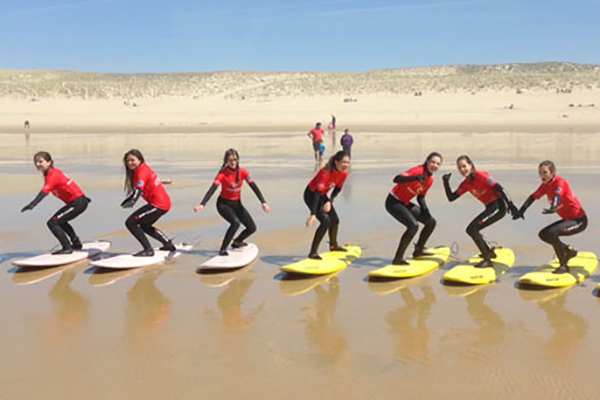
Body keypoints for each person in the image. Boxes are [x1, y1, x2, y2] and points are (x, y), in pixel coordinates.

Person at [442, 155, 519, 268]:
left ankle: (488, 260)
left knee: (472, 229)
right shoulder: (466, 184)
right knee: (473, 229)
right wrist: (446, 183)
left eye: (464, 166)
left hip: (497, 206)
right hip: (490, 208)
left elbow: (500, 189)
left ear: (471, 165)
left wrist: (511, 205)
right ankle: (489, 252)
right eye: (459, 168)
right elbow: (452, 197)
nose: (462, 170)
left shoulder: (481, 175)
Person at [512, 160, 587, 274]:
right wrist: (521, 211)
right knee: (544, 234)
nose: (542, 176)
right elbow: (532, 197)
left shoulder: (560, 182)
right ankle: (568, 250)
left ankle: (564, 265)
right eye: (540, 173)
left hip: (579, 221)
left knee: (552, 233)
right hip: (569, 220)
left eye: (544, 172)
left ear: (552, 172)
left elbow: (557, 195)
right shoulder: (545, 185)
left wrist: (554, 206)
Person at [194, 149, 270, 256]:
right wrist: (202, 204)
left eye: (235, 159)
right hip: (223, 204)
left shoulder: (243, 172)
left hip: (237, 204)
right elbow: (212, 188)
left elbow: (254, 186)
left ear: (238, 159)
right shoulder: (222, 174)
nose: (233, 162)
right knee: (235, 223)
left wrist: (263, 202)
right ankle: (223, 249)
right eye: (230, 160)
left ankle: (237, 242)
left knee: (251, 228)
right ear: (226, 161)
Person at [21, 151, 90, 254]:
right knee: (59, 221)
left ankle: (67, 248)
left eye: (41, 161)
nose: (37, 164)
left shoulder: (53, 175)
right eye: (35, 162)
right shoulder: (51, 173)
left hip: (77, 203)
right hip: (78, 202)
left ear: (49, 162)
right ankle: (76, 243)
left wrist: (32, 204)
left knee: (53, 223)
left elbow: (44, 192)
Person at [386, 152, 442, 265]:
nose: (434, 165)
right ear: (427, 161)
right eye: (433, 162)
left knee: (431, 222)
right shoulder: (418, 171)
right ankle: (398, 258)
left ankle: (418, 251)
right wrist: (414, 178)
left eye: (438, 164)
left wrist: (426, 210)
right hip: (393, 201)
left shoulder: (430, 180)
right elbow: (396, 179)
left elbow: (420, 197)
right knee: (413, 226)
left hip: (405, 203)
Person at [121, 149, 175, 257]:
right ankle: (167, 244)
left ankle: (148, 250)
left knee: (131, 222)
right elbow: (150, 180)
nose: (130, 163)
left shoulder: (141, 171)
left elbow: (139, 188)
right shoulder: (142, 169)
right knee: (145, 225)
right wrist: (163, 181)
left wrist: (133, 200)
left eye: (133, 160)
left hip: (158, 204)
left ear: (140, 160)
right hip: (163, 204)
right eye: (127, 161)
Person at [304, 151, 350, 259]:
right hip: (311, 195)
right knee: (326, 222)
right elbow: (317, 194)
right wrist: (313, 214)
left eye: (348, 163)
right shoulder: (325, 172)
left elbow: (337, 189)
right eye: (344, 162)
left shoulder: (344, 173)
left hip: (323, 195)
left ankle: (333, 245)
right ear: (336, 162)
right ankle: (313, 252)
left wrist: (330, 201)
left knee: (335, 220)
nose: (346, 165)